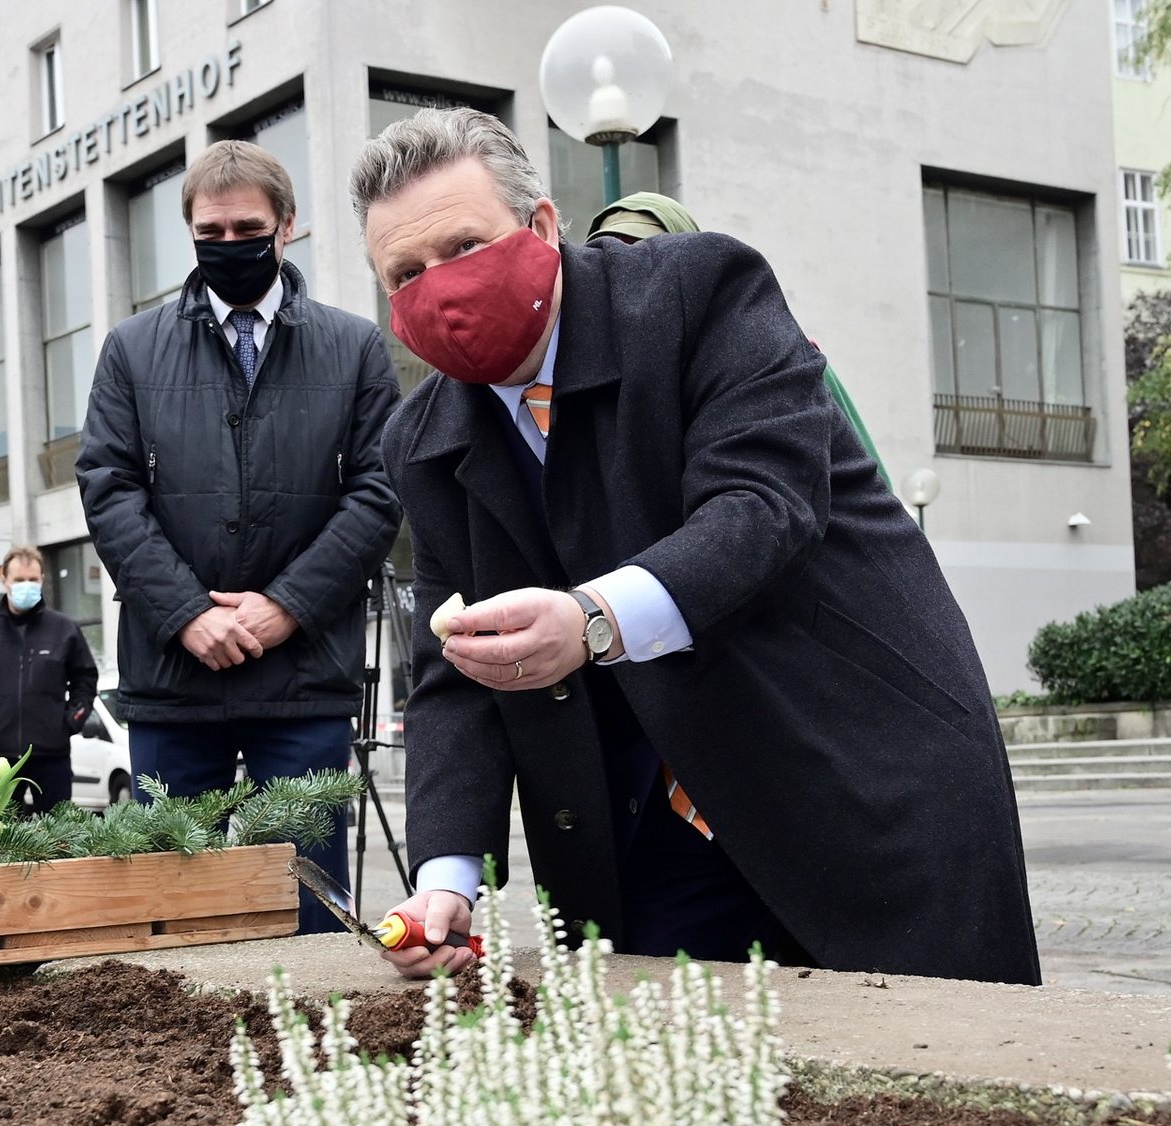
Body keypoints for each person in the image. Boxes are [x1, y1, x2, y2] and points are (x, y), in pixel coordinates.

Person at [351, 109, 1039, 985]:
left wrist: (592, 620)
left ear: (544, 227)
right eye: (406, 272)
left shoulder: (699, 294)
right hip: (645, 841)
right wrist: (446, 878)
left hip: (850, 781)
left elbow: (763, 505)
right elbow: (455, 668)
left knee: (930, 1087)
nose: (441, 288)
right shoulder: (423, 438)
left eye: (463, 247)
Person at [78, 140, 402, 935]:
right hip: (172, 679)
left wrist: (285, 606)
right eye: (209, 233)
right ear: (188, 232)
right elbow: (109, 489)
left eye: (246, 227)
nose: (230, 245)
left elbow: (380, 488)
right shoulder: (131, 349)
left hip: (302, 677)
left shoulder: (355, 346)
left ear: (286, 227)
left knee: (311, 906)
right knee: (166, 915)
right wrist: (188, 610)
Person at [586, 193, 894, 492]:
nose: (628, 279)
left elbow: (871, 489)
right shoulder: (584, 387)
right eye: (612, 264)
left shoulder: (777, 355)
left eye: (647, 257)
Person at [0, 546, 100, 814]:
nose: (27, 586)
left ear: (42, 579)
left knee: (59, 834)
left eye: (33, 579)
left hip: (52, 755)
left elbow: (85, 679)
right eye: (19, 580)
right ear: (4, 581)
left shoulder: (64, 629)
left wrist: (72, 721)